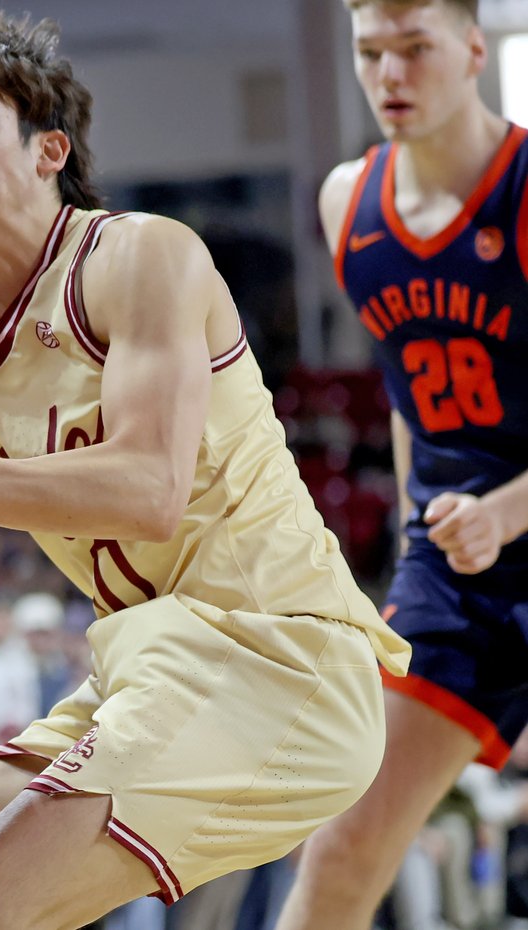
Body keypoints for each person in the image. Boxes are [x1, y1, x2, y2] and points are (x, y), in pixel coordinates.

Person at [0, 8, 414, 929]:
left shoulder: (141, 256)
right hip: (143, 672)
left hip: (281, 655)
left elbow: (145, 492)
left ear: (48, 150)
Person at [273, 1, 528, 927]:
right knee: (341, 846)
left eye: (415, 49)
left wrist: (507, 509)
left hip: (511, 520)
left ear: (471, 48)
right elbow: (404, 390)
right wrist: (432, 523)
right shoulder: (350, 202)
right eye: (370, 52)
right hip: (456, 571)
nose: (390, 75)